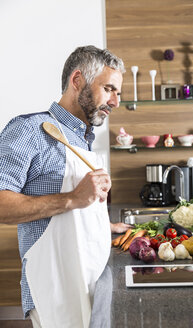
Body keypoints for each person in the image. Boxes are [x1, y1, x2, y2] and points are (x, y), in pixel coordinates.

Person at [0, 45, 131, 327]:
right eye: (109, 88)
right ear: (77, 81)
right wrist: (73, 199)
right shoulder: (30, 130)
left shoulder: (83, 139)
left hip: (90, 277)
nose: (115, 101)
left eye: (118, 92)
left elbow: (70, 216)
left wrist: (99, 224)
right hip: (54, 286)